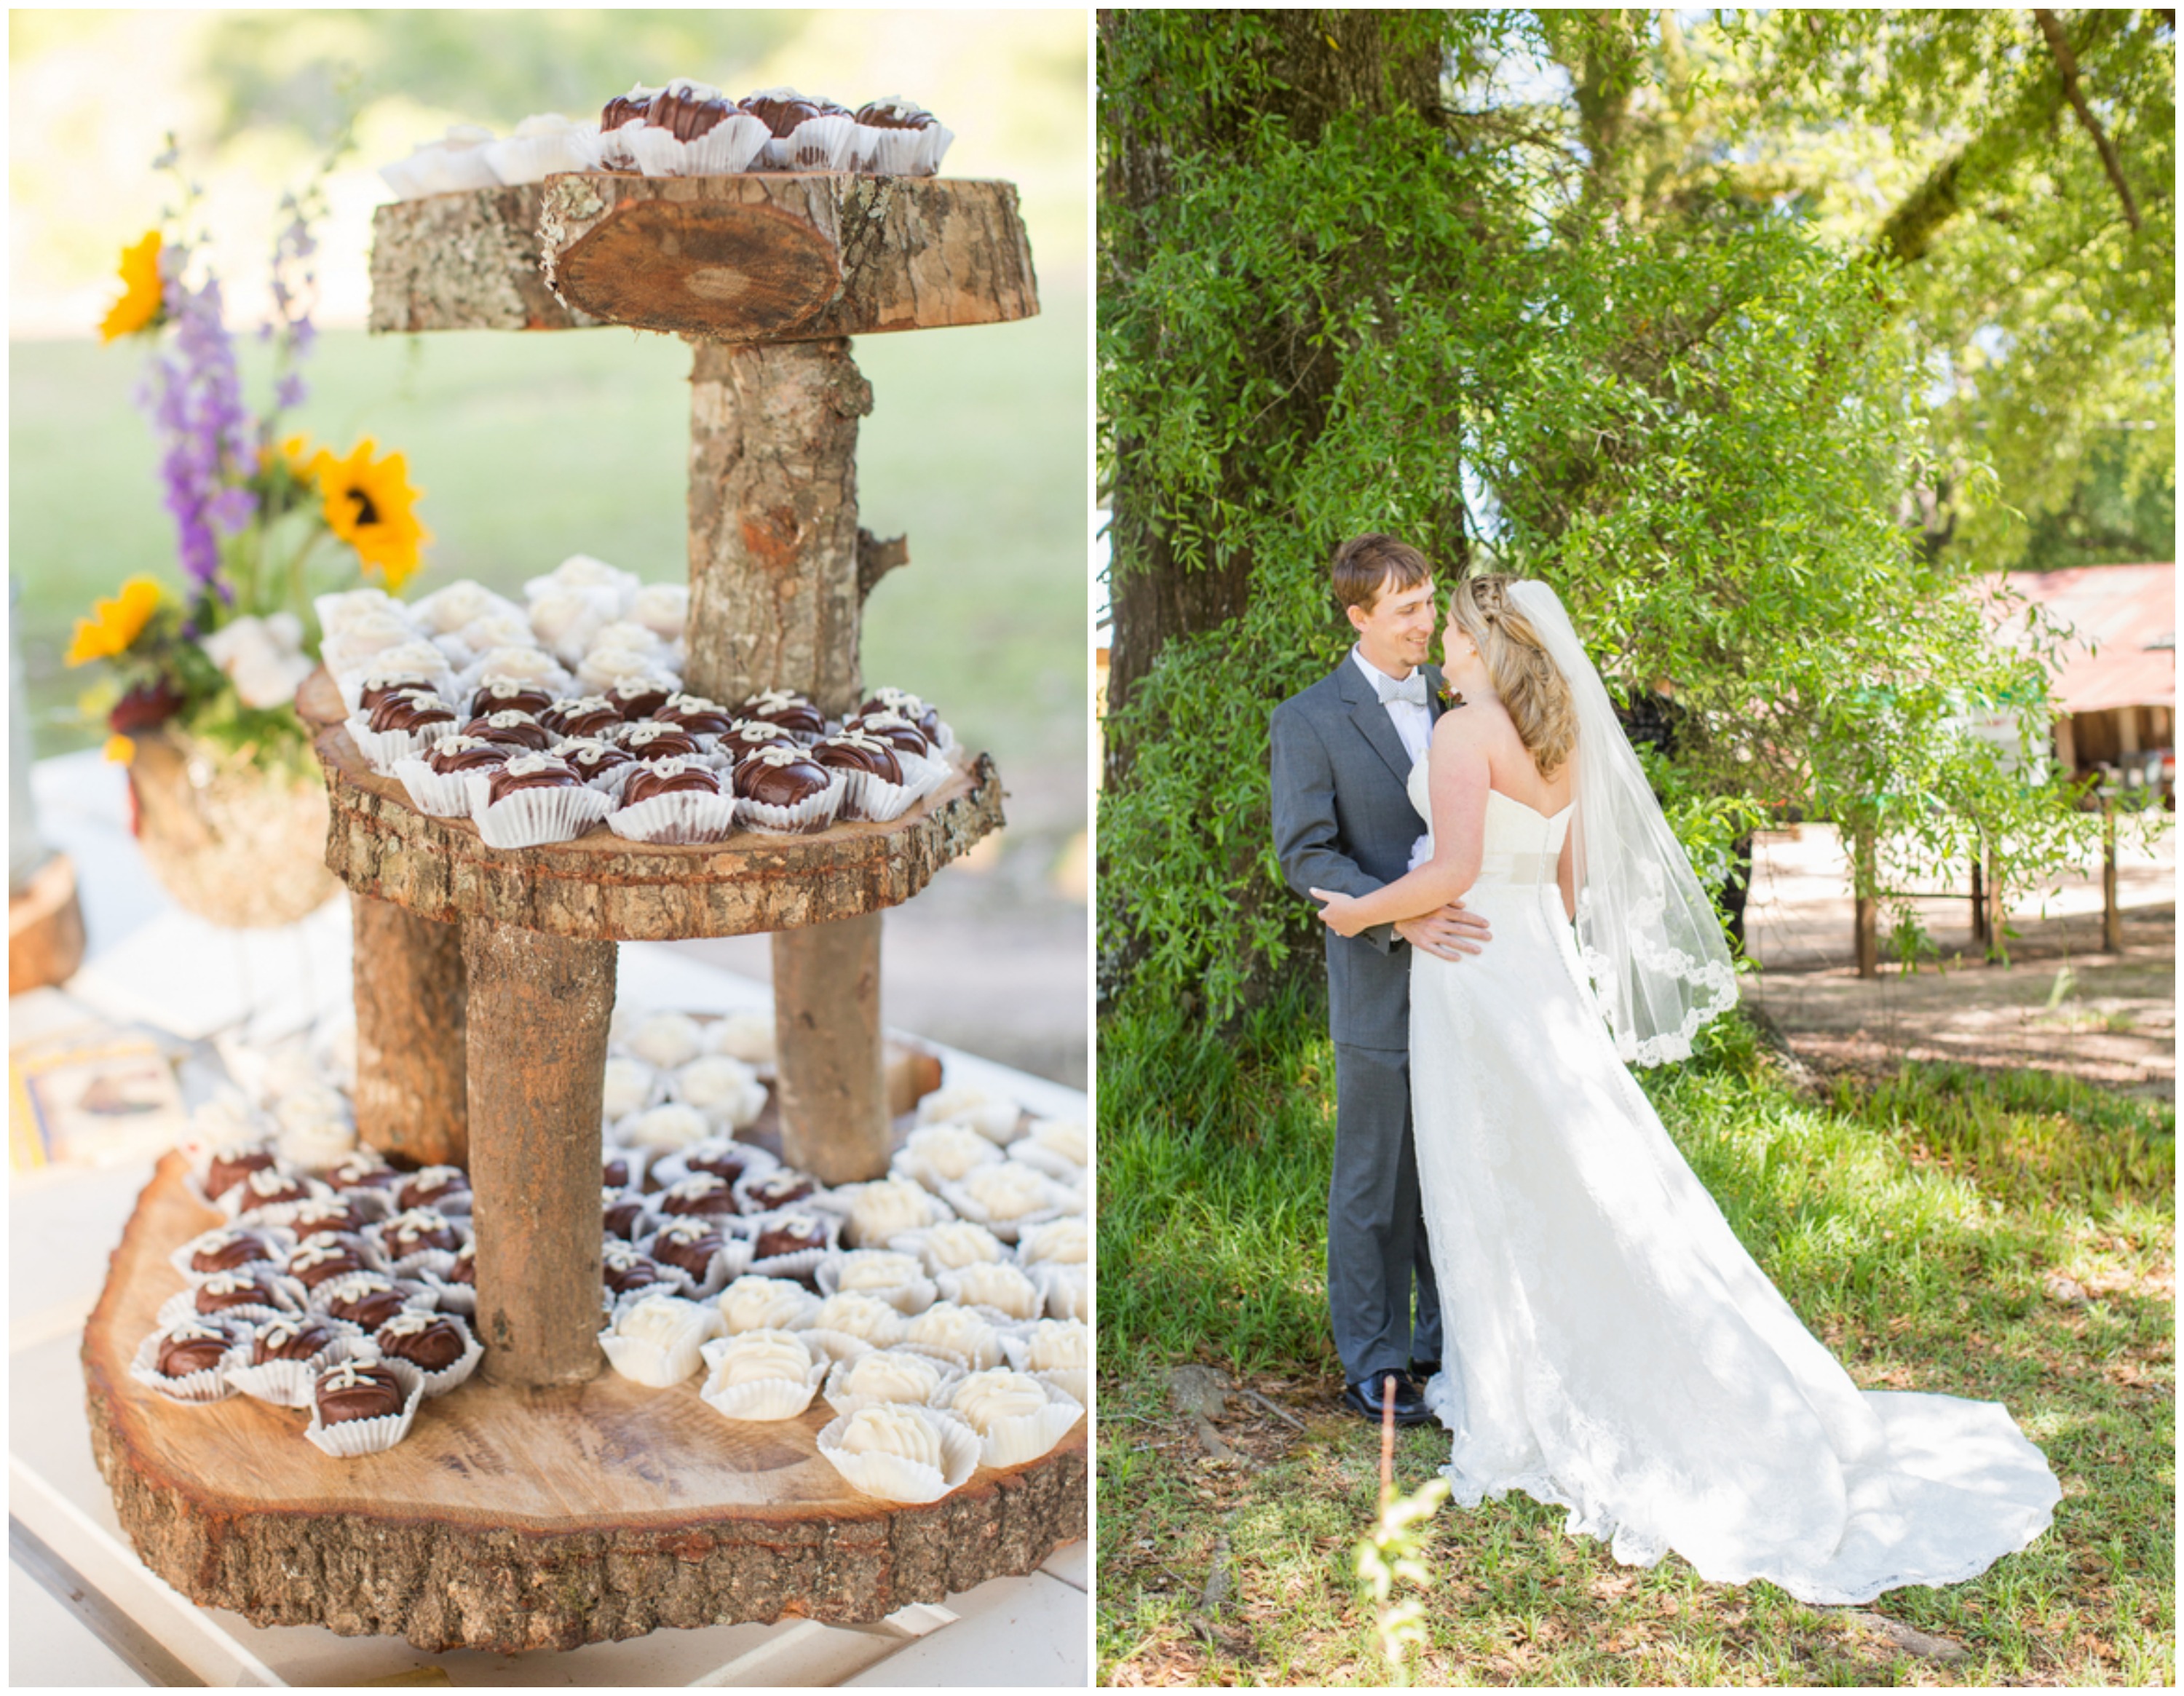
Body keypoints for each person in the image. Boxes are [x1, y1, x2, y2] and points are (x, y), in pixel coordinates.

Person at [1307, 571, 2060, 1603]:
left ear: (1488, 642)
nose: (1440, 642)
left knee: (1483, 1170)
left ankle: (1515, 1393)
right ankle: (1522, 1361)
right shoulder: (1559, 735)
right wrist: (1534, 955)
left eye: (1455, 630)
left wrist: (1357, 916)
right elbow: (1565, 884)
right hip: (1535, 965)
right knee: (1585, 1169)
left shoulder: (1462, 733)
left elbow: (1451, 873)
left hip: (1471, 973)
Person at [1270, 535, 1491, 1427]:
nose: (1425, 622)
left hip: (1470, 975)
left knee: (1455, 1164)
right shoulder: (1309, 718)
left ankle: (1448, 1344)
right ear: (1358, 615)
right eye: (1406, 609)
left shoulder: (1464, 706)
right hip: (1378, 976)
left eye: (1430, 603)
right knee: (1375, 1174)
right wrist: (1400, 912)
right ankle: (1376, 1359)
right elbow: (1307, 855)